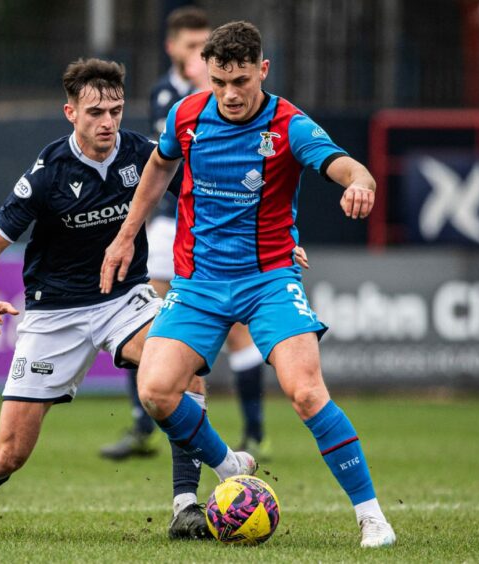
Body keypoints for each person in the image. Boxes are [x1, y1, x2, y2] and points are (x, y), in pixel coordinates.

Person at [0, 58, 235, 540]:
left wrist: (271, 240)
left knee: (180, 367)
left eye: (116, 111)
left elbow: (216, 194)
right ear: (70, 113)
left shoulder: (145, 155)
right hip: (54, 313)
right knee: (10, 454)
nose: (107, 122)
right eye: (95, 113)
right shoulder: (46, 174)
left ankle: (185, 505)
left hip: (124, 299)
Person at [100, 22, 397, 548]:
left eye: (240, 80)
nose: (230, 94)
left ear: (262, 70)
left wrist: (362, 183)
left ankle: (372, 515)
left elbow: (345, 166)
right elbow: (157, 169)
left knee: (305, 392)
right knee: (155, 390)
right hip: (197, 284)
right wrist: (127, 236)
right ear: (207, 75)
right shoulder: (187, 115)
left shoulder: (289, 126)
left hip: (268, 280)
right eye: (219, 82)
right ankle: (229, 463)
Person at [100, 6, 271, 463]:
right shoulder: (164, 94)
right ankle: (144, 424)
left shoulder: (221, 93)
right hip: (167, 222)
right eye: (190, 45)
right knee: (146, 318)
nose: (198, 53)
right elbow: (165, 161)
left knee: (234, 331)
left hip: (216, 224)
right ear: (172, 47)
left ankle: (254, 432)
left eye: (204, 45)